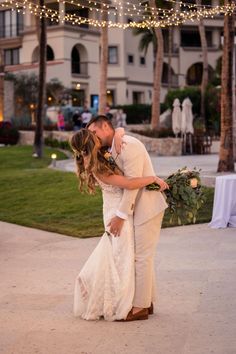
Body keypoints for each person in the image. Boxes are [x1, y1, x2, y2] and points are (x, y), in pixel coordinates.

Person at [87, 115, 168, 321]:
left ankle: (140, 307)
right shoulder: (113, 147)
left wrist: (120, 216)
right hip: (136, 208)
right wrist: (119, 132)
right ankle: (147, 301)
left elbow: (131, 185)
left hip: (146, 206)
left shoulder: (129, 145)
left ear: (105, 126)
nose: (92, 137)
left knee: (142, 257)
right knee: (139, 257)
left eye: (94, 132)